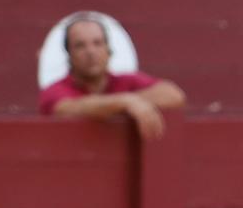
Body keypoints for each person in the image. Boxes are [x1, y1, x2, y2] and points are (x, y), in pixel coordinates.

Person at [38, 14, 187, 138]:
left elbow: (174, 95)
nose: (90, 52)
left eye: (97, 43)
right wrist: (125, 102)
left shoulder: (127, 80)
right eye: (80, 45)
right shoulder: (55, 90)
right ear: (69, 55)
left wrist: (128, 102)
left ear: (108, 50)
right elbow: (66, 109)